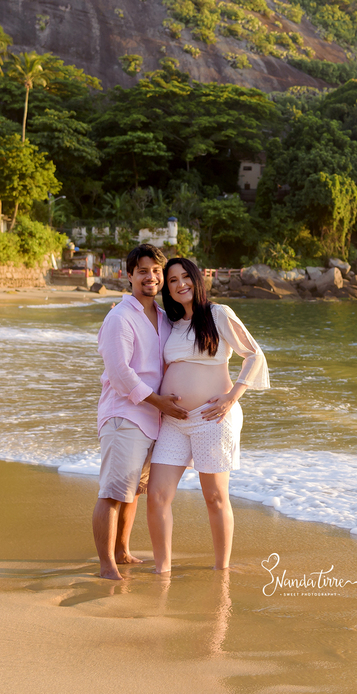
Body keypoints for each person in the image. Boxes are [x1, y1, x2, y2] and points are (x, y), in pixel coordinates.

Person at [147, 257, 269, 574]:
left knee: (214, 496)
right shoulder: (170, 324)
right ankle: (162, 569)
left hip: (213, 418)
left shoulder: (218, 314)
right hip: (175, 420)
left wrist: (231, 397)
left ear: (197, 279)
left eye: (185, 277)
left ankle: (221, 569)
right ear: (167, 288)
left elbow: (254, 354)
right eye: (172, 280)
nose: (180, 284)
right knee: (157, 495)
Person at [93, 244, 188, 580]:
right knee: (113, 492)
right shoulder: (120, 317)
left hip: (153, 420)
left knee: (132, 490)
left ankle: (122, 551)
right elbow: (120, 373)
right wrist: (160, 402)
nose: (151, 277)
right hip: (125, 415)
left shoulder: (162, 317)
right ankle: (106, 564)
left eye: (157, 271)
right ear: (129, 275)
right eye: (143, 271)